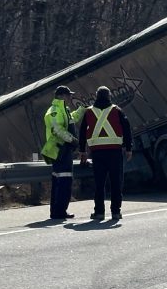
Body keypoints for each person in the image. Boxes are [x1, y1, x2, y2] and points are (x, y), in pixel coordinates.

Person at [79, 86, 132, 221]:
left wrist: (82, 151)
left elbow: (82, 132)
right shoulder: (117, 110)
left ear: (96, 96)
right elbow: (127, 129)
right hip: (115, 152)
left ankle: (99, 212)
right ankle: (115, 212)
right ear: (109, 96)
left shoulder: (89, 112)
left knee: (99, 184)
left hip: (97, 153)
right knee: (116, 183)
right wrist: (128, 148)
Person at [40, 85, 85, 220]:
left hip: (65, 150)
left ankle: (58, 211)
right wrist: (73, 140)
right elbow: (57, 129)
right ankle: (59, 212)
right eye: (68, 94)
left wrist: (82, 110)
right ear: (61, 96)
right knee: (63, 182)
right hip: (60, 151)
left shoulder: (63, 110)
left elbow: (71, 119)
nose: (70, 97)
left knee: (61, 181)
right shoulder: (53, 111)